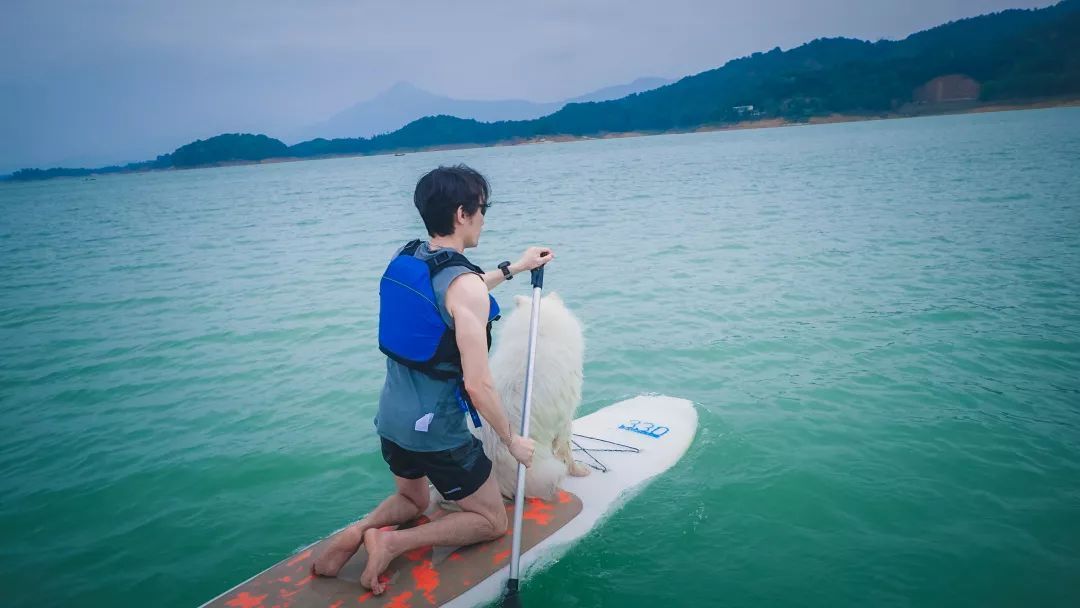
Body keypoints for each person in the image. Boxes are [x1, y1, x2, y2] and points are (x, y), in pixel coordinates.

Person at [312, 164, 552, 595]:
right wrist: (511, 439)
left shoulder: (408, 258)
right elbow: (478, 385)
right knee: (490, 520)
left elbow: (462, 288)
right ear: (463, 213)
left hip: (390, 420)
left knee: (413, 500)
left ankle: (358, 532)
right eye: (483, 208)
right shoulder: (467, 290)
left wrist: (516, 267)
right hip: (435, 432)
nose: (484, 217)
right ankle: (391, 541)